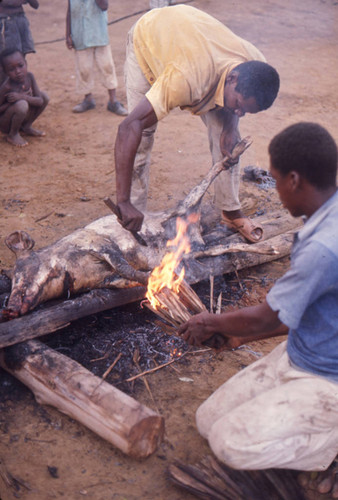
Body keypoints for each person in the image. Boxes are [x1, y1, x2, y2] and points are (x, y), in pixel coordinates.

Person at [178, 122, 338, 498]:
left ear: (295, 180)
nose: (276, 188)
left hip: (327, 377)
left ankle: (330, 445)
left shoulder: (324, 247)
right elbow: (297, 312)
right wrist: (237, 334)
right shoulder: (323, 218)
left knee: (227, 443)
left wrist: (210, 322)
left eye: (277, 178)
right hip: (302, 354)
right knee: (207, 421)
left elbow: (270, 315)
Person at [114, 4, 280, 243]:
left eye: (246, 111)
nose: (239, 111)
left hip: (191, 32)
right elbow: (128, 127)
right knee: (143, 134)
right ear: (232, 79)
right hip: (148, 39)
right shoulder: (187, 77)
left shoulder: (255, 65)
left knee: (228, 136)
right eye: (238, 105)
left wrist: (230, 127)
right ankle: (131, 218)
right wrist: (122, 201)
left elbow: (235, 106)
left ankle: (230, 211)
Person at [66, 0, 128, 116]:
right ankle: (88, 99)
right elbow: (69, 12)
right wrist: (68, 34)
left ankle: (113, 101)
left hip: (99, 34)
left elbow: (104, 6)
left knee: (107, 66)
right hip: (80, 35)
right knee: (84, 68)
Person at [0, 47, 49, 146]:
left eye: (20, 65)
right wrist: (10, 104)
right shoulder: (7, 87)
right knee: (22, 105)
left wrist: (21, 97)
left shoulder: (30, 77)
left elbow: (40, 101)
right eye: (11, 69)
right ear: (5, 72)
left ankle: (26, 127)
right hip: (6, 123)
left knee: (44, 96)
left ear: (26, 63)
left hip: (21, 114)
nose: (18, 71)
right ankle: (12, 134)